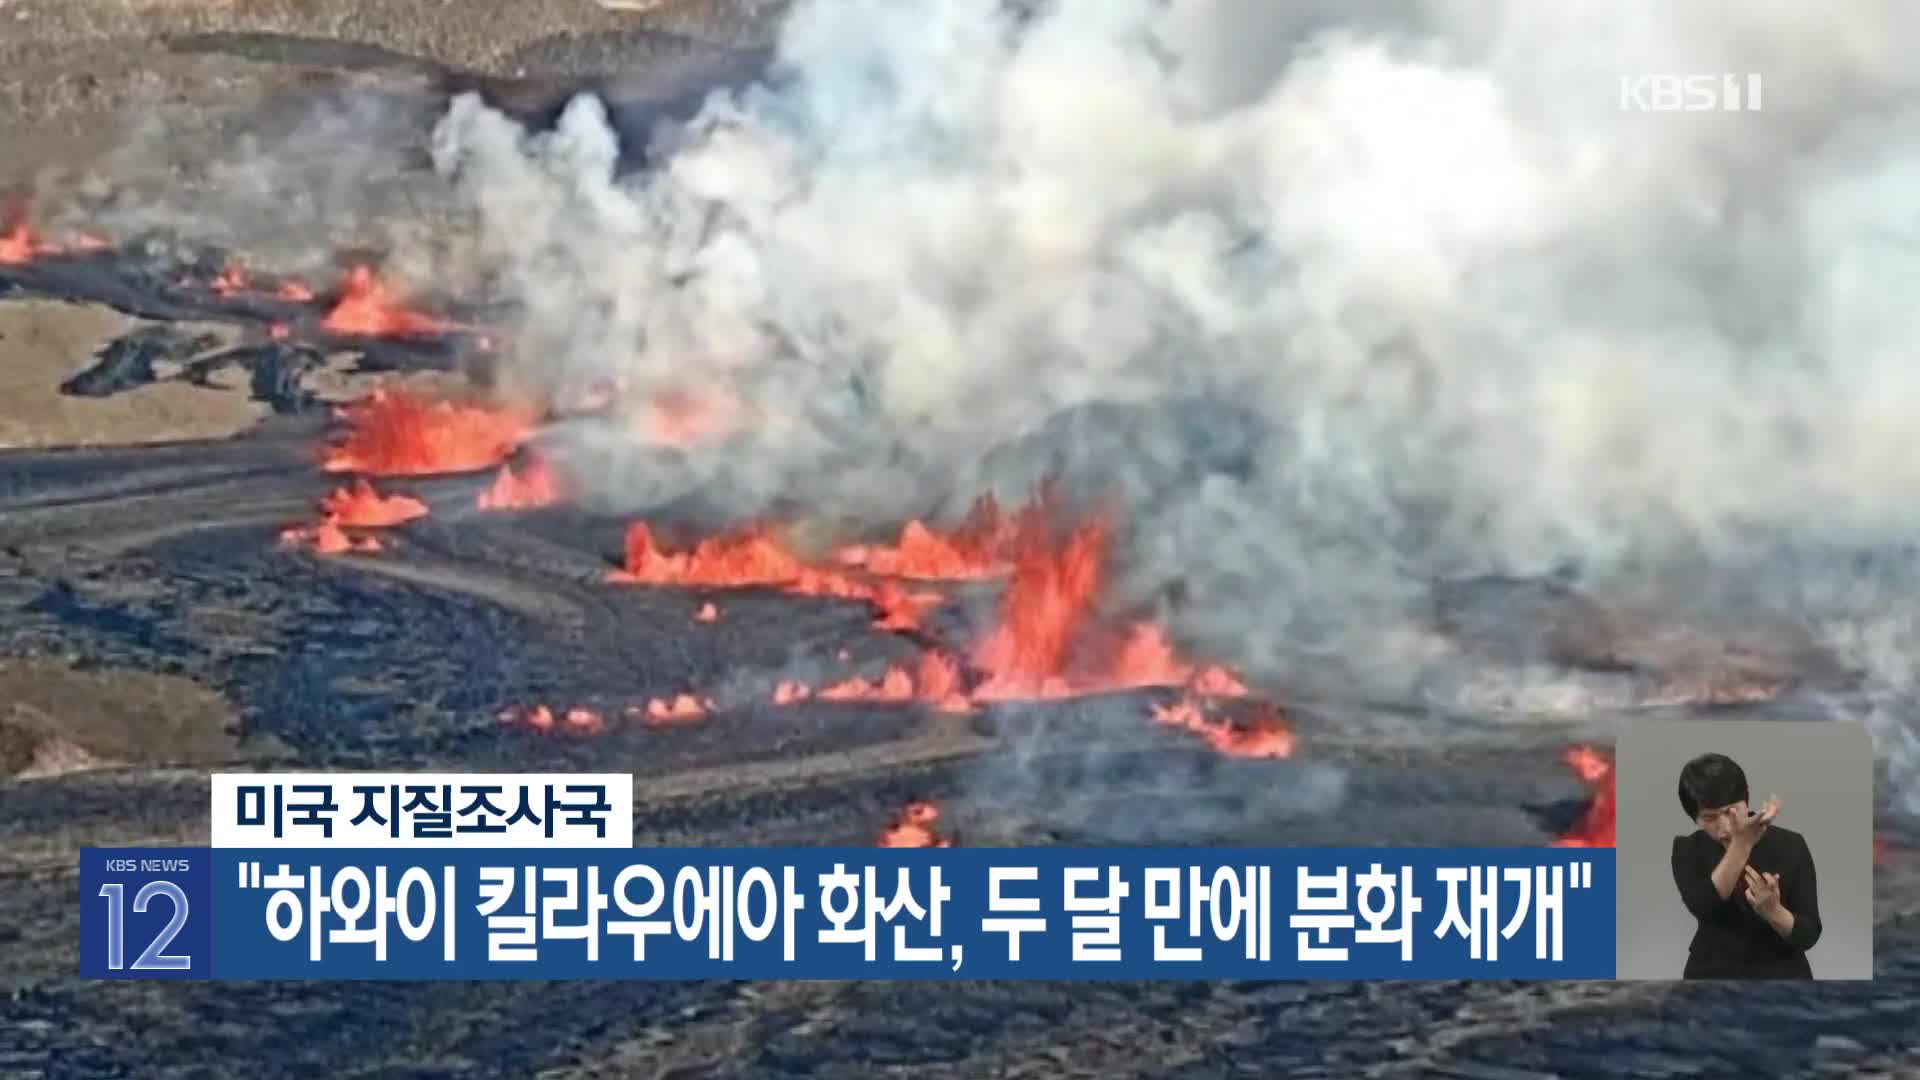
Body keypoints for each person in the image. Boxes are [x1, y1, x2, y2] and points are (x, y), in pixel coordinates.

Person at [1669, 752, 1822, 979]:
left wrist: (1773, 911)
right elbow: (1704, 906)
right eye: (1710, 818)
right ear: (1695, 818)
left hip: (1783, 976)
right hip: (1711, 976)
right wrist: (1742, 844)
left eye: (1731, 812)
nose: (1725, 828)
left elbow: (1808, 935)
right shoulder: (1687, 849)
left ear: (1747, 796)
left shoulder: (1791, 844)